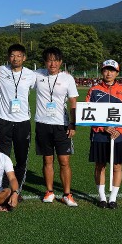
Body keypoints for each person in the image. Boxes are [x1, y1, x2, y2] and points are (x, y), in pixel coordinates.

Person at [35, 47, 79, 207]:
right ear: (45, 62)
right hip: (42, 124)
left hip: (61, 125)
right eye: (49, 60)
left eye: (55, 60)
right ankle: (50, 191)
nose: (52, 63)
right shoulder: (37, 75)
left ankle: (67, 194)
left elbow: (73, 101)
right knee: (47, 160)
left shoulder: (68, 78)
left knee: (64, 161)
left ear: (61, 62)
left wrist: (73, 123)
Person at [86, 59, 122, 209]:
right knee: (100, 165)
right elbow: (87, 113)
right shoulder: (93, 90)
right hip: (99, 134)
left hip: (119, 134)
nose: (108, 73)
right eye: (106, 70)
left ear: (117, 73)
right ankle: (102, 198)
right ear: (102, 71)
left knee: (117, 166)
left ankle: (112, 198)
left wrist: (118, 129)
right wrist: (102, 127)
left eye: (112, 70)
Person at [0, 44, 36, 196]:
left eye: (19, 55)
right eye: (12, 55)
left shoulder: (32, 75)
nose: (15, 58)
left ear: (24, 58)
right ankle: (4, 188)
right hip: (3, 120)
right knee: (2, 157)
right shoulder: (0, 70)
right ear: (8, 57)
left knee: (21, 158)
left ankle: (16, 190)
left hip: (23, 122)